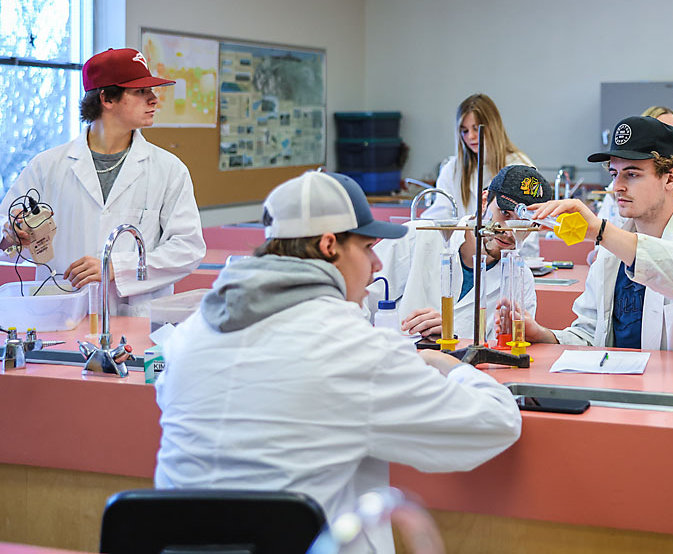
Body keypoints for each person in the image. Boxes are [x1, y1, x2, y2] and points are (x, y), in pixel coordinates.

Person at [155, 171, 521, 554]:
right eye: (367, 247)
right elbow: (496, 423)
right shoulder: (353, 347)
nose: (377, 264)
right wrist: (446, 364)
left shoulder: (190, 334)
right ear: (330, 245)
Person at [497, 116, 673, 353]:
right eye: (615, 174)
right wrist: (543, 335)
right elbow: (590, 335)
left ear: (670, 178)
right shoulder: (611, 251)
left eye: (632, 174)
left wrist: (600, 230)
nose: (617, 187)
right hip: (624, 392)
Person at [0, 48, 205, 316]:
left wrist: (116, 268)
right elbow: (6, 235)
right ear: (107, 98)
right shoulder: (47, 166)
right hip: (63, 315)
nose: (154, 100)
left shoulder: (169, 170)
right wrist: (14, 236)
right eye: (141, 92)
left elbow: (187, 248)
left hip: (136, 318)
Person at [370, 165, 552, 341]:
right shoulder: (414, 238)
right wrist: (399, 330)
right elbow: (355, 305)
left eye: (524, 223)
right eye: (504, 213)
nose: (509, 231)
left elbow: (506, 350)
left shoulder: (520, 279)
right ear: (484, 201)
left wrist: (453, 335)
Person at [421, 94, 534, 221]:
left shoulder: (520, 167)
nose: (471, 137)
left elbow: (528, 224)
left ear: (493, 127)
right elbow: (438, 218)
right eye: (465, 131)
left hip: (509, 241)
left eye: (476, 129)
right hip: (463, 241)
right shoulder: (452, 170)